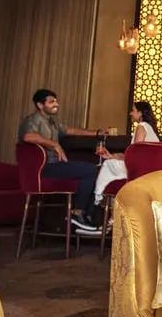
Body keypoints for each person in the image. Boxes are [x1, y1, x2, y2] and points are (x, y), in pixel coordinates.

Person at [18, 88, 108, 233]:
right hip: (44, 168)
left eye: (56, 101)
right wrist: (54, 144)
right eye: (51, 102)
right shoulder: (32, 120)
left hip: (55, 165)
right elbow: (28, 136)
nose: (56, 104)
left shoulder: (51, 122)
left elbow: (71, 131)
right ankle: (77, 215)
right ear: (40, 105)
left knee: (94, 170)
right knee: (90, 170)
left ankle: (86, 217)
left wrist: (96, 132)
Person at [94, 101, 160, 204]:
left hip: (139, 171)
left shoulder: (141, 127)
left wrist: (112, 157)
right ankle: (113, 203)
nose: (130, 113)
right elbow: (133, 155)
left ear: (140, 113)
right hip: (150, 171)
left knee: (108, 164)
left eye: (133, 111)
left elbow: (135, 155)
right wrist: (112, 156)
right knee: (111, 162)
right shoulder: (150, 128)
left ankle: (102, 199)